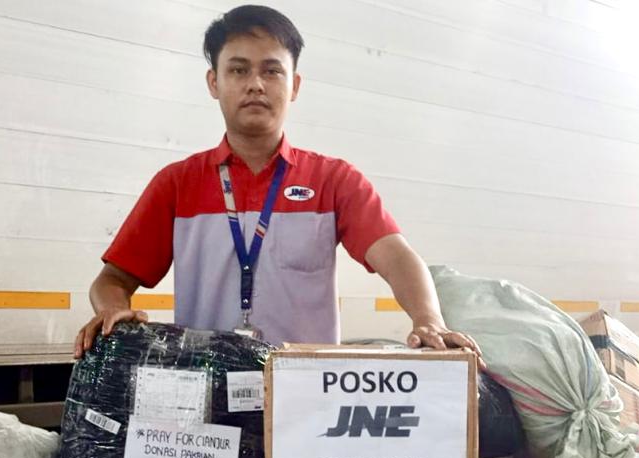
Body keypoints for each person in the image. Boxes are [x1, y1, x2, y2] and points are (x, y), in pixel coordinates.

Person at [74, 4, 481, 361]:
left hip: (307, 397)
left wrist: (428, 319)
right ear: (214, 82)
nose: (256, 84)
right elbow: (112, 280)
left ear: (294, 85)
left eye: (271, 71)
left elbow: (396, 256)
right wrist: (113, 309)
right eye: (238, 70)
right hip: (206, 396)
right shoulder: (177, 185)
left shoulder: (334, 181)